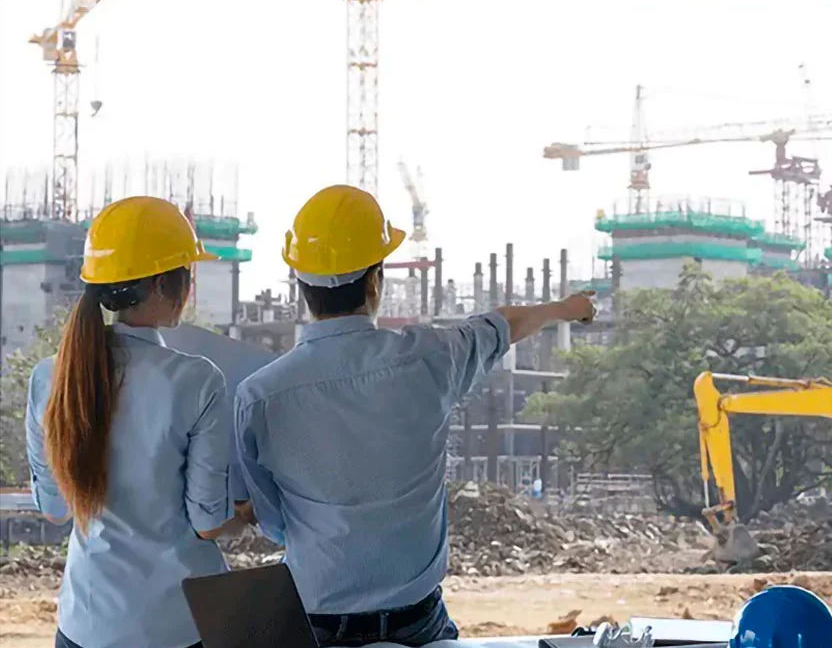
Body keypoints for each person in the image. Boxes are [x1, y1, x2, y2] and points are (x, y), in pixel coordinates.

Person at [235, 184, 595, 648]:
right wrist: (569, 308)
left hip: (317, 621)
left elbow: (273, 520)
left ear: (301, 285)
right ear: (375, 279)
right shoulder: (432, 356)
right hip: (418, 623)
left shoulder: (258, 396)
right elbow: (505, 324)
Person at [25, 196, 246, 648]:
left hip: (88, 624)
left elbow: (54, 508)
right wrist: (250, 511)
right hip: (180, 626)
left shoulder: (51, 376)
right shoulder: (196, 380)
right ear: (168, 284)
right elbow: (208, 523)